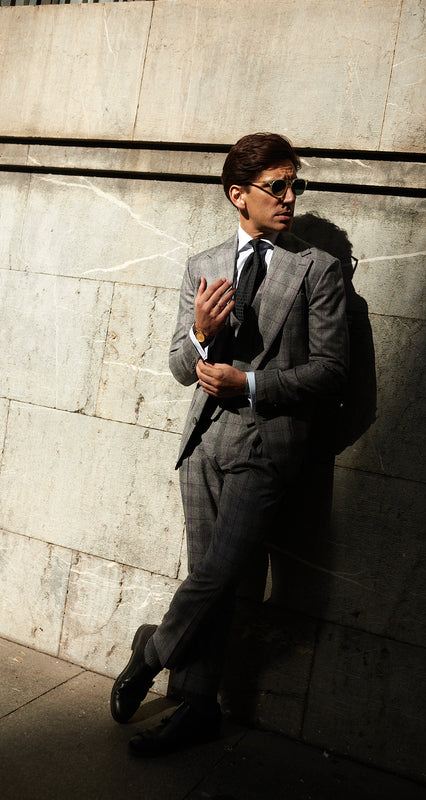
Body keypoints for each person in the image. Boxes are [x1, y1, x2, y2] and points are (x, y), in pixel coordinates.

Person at [110, 132, 349, 757]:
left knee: (221, 573)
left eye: (295, 185)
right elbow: (178, 367)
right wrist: (199, 334)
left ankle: (151, 650)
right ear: (238, 194)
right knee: (208, 581)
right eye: (277, 186)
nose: (290, 197)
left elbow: (332, 371)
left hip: (266, 445)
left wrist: (253, 384)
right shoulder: (204, 264)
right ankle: (197, 708)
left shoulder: (318, 269)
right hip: (203, 443)